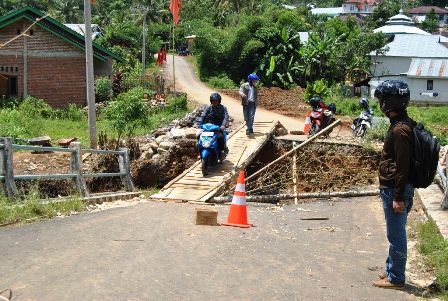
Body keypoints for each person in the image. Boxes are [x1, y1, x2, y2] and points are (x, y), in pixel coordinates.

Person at [372, 80, 414, 290]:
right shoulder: (401, 125)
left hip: (396, 191)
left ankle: (396, 277)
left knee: (396, 235)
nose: (380, 104)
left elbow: (403, 167)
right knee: (393, 233)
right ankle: (391, 270)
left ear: (389, 103)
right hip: (393, 189)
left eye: (382, 100)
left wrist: (398, 197)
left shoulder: (400, 131)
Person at [199, 92, 229, 157]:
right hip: (208, 127)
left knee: (220, 137)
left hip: (218, 127)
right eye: (213, 101)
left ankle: (221, 152)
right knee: (199, 135)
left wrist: (223, 125)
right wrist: (199, 123)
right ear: (211, 101)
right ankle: (200, 150)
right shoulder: (208, 108)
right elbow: (203, 115)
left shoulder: (223, 108)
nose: (214, 102)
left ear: (219, 101)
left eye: (216, 101)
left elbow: (225, 117)